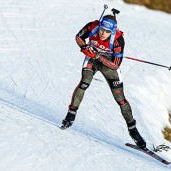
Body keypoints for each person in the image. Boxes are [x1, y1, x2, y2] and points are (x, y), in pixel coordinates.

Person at [61, 12, 146, 149]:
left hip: (108, 65)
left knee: (120, 98)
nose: (102, 34)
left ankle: (133, 130)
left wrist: (97, 55)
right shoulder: (92, 27)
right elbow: (79, 37)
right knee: (84, 83)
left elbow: (115, 65)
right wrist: (84, 48)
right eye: (101, 29)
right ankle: (70, 116)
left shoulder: (118, 40)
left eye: (107, 32)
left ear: (112, 31)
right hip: (92, 60)